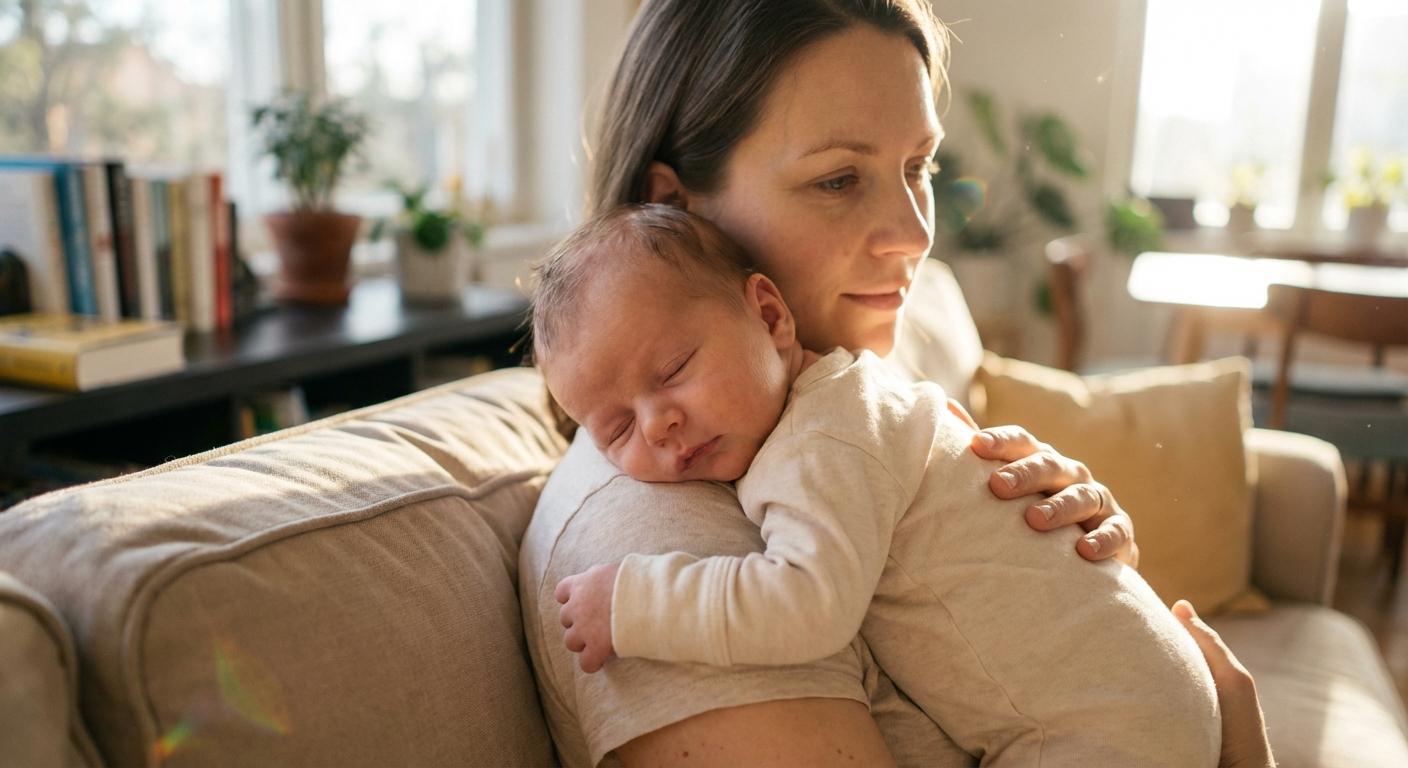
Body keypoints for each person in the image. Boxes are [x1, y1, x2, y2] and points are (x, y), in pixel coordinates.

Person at [518, 1, 1274, 765]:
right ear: (673, 205)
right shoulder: (650, 539)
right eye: (839, 179)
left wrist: (1066, 575)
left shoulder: (834, 398)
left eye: (920, 168)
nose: (915, 232)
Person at [535, 204, 1222, 765]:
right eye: (616, 428)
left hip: (1103, 734)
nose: (658, 427)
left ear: (770, 317)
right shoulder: (852, 397)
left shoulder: (821, 438)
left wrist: (634, 603)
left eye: (674, 369)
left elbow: (805, 604)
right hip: (1142, 705)